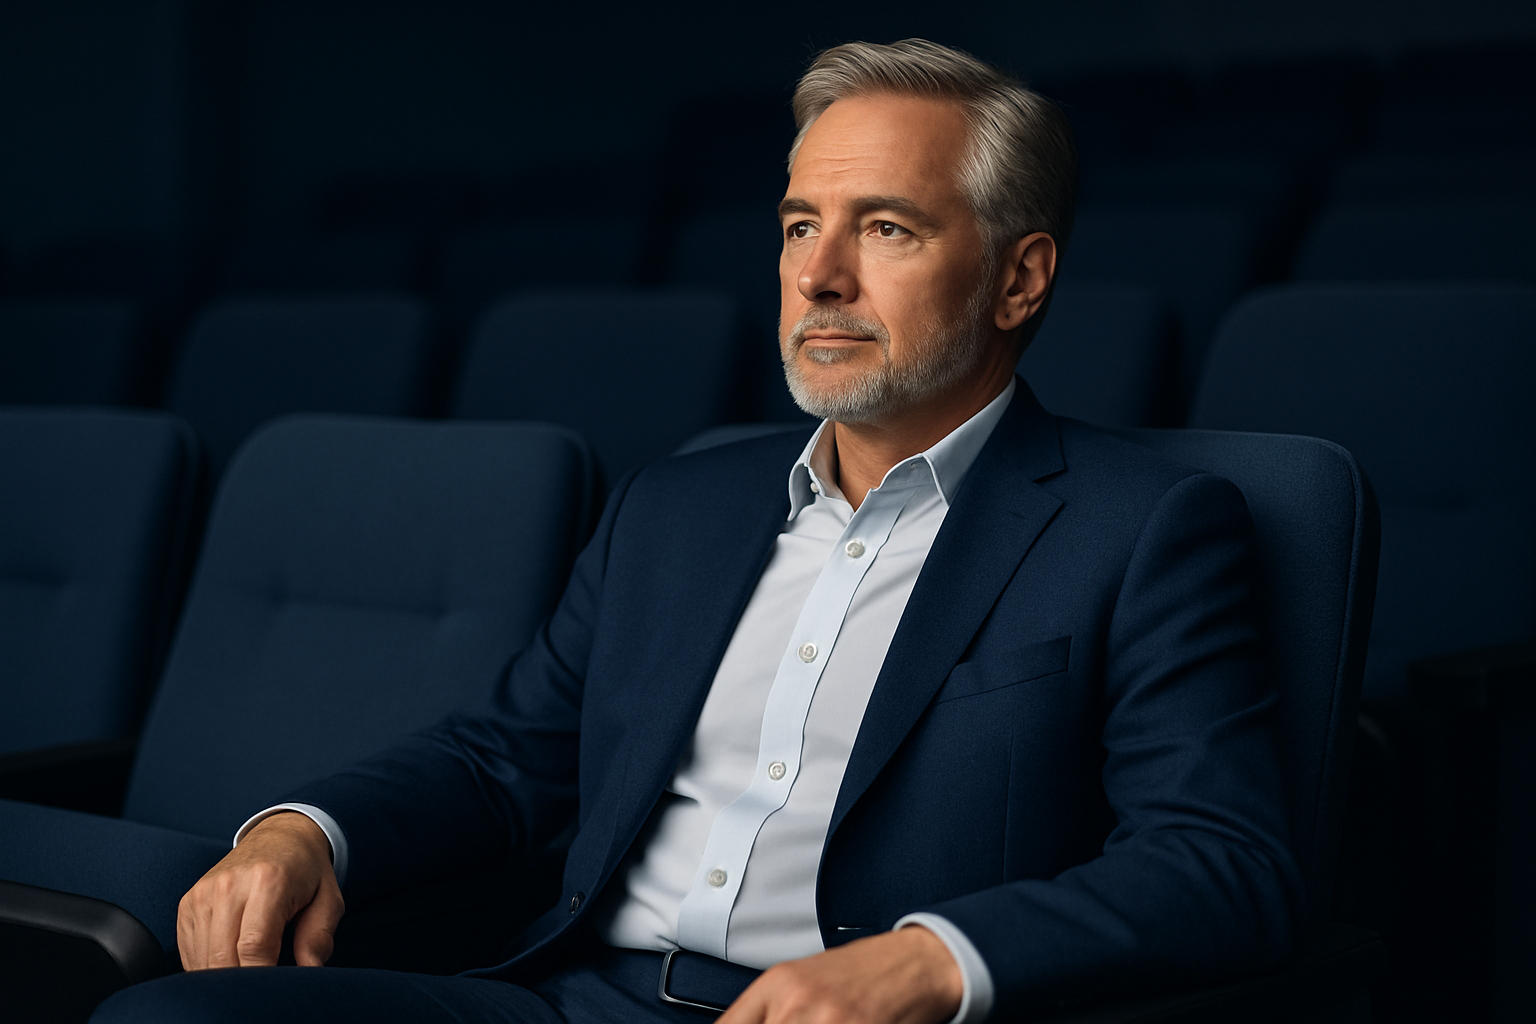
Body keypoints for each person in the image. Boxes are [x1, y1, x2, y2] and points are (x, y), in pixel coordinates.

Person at [95, 38, 1301, 1024]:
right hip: (571, 999)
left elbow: (1219, 864)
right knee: (162, 1018)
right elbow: (506, 757)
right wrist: (308, 832)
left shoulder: (1142, 529)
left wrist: (929, 961)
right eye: (796, 226)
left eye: (885, 229)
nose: (818, 275)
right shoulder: (678, 505)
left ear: (1019, 280)